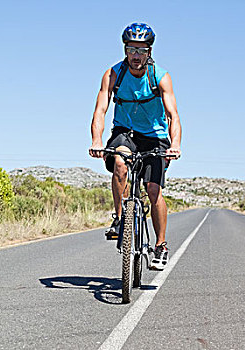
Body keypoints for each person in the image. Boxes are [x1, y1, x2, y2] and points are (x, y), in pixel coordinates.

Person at [89, 23, 182, 270]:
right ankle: (120, 219)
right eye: (131, 49)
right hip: (125, 133)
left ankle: (161, 246)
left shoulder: (160, 77)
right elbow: (100, 110)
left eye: (141, 50)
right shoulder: (113, 74)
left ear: (149, 51)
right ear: (125, 50)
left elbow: (172, 114)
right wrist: (97, 140)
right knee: (120, 162)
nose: (136, 55)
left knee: (153, 190)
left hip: (155, 137)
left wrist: (175, 145)